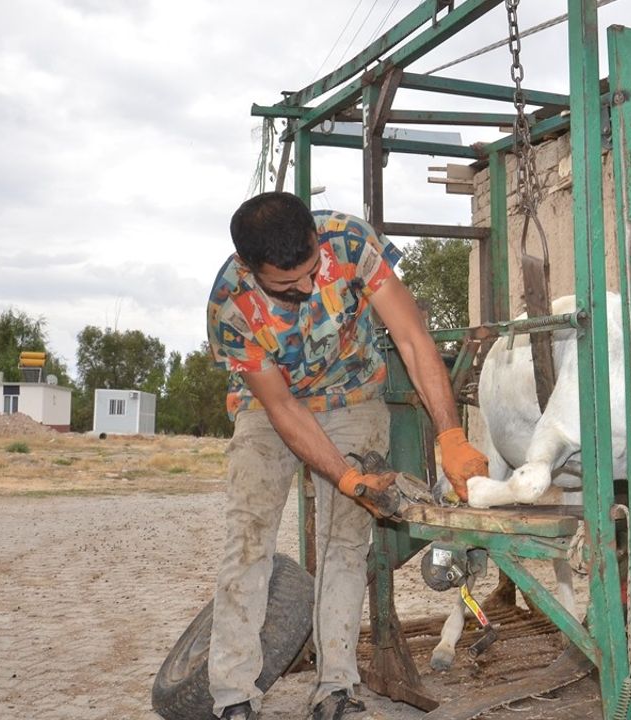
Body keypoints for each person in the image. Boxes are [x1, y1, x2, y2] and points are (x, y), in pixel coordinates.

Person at [204, 191, 488, 720]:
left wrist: (451, 434)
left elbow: (410, 337)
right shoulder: (229, 307)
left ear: (315, 239)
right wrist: (348, 477)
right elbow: (284, 407)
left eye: (313, 271)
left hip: (353, 395)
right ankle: (234, 695)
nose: (309, 287)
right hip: (269, 409)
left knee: (346, 543)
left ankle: (336, 686)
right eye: (288, 286)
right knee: (248, 540)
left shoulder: (350, 241)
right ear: (249, 267)